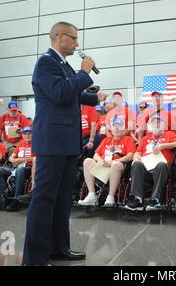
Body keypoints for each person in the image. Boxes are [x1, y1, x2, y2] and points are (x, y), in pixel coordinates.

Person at [22, 21, 107, 266]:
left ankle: (58, 248)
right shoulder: (46, 62)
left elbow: (74, 93)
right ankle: (35, 259)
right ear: (59, 36)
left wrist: (94, 97)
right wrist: (83, 73)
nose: (77, 43)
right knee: (44, 198)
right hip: (52, 141)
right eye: (74, 38)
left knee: (61, 199)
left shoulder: (62, 64)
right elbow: (59, 93)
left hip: (67, 141)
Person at [124, 115, 176, 211]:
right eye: (153, 122)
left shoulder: (170, 134)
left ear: (163, 125)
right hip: (146, 167)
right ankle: (137, 199)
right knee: (136, 164)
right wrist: (136, 157)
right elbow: (137, 153)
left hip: (162, 168)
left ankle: (155, 199)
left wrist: (163, 146)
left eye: (159, 122)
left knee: (161, 164)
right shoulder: (145, 138)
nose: (156, 124)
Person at [79, 118, 135, 206]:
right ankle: (92, 195)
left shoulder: (128, 140)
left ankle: (111, 197)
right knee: (87, 161)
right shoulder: (106, 140)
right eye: (114, 126)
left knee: (115, 165)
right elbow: (96, 155)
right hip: (104, 165)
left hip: (118, 166)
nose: (116, 129)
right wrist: (101, 161)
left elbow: (130, 155)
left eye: (119, 126)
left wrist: (114, 161)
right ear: (111, 129)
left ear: (124, 129)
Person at [0, 126, 35, 211]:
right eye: (25, 133)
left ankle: (16, 199)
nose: (27, 135)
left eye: (29, 133)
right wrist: (13, 160)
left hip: (29, 168)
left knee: (20, 169)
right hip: (16, 167)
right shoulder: (21, 143)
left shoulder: (37, 143)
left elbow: (36, 158)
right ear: (22, 135)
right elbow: (11, 157)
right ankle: (0, 197)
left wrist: (20, 160)